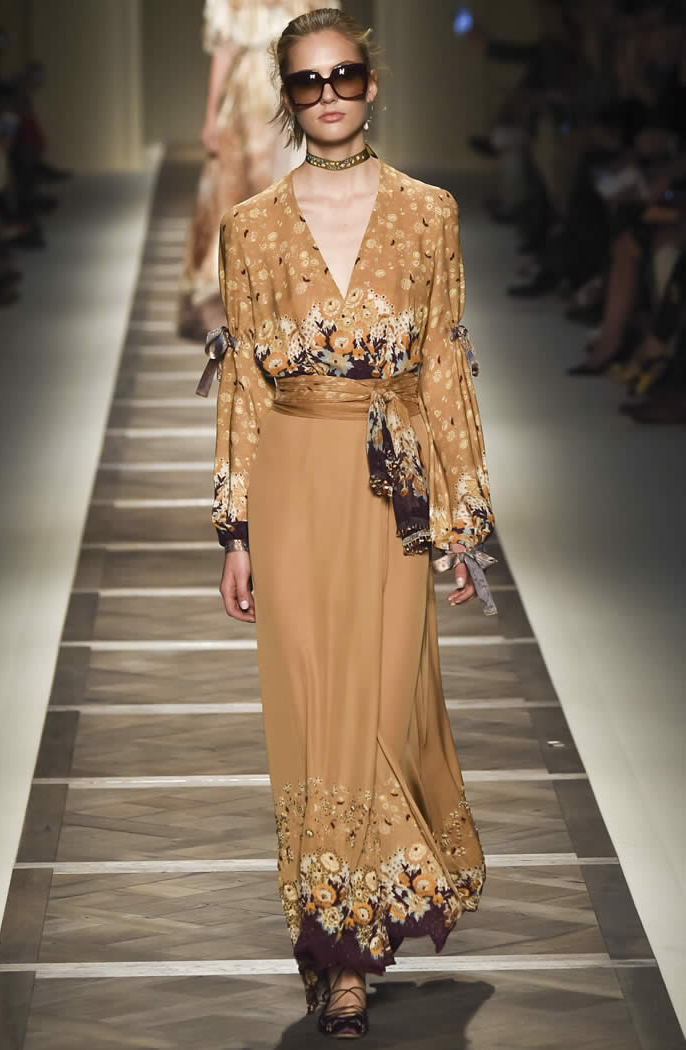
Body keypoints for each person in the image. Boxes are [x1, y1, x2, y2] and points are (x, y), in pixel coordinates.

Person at [201, 8, 498, 1039]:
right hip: (292, 478)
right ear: (286, 98)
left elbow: (445, 362)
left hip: (390, 485)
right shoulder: (249, 226)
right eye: (307, 81)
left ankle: (357, 928)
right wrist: (235, 530)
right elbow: (243, 378)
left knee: (383, 708)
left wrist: (462, 518)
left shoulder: (429, 213)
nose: (327, 94)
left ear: (371, 84)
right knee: (312, 712)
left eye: (343, 75)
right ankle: (338, 956)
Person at [178, 0, 341, 341]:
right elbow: (224, 52)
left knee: (297, 197)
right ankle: (241, 303)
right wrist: (210, 117)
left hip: (298, 97)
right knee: (240, 197)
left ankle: (297, 303)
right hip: (249, 105)